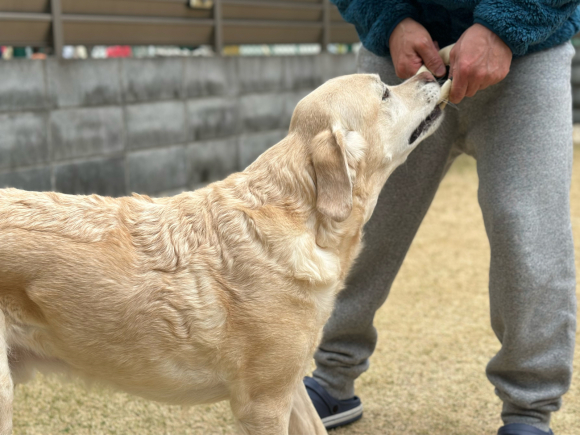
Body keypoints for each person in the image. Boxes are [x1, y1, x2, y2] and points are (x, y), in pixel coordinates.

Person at [304, 1, 580, 434]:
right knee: (355, 221)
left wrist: (506, 24)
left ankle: (529, 412)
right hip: (401, 58)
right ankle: (330, 377)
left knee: (526, 229)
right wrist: (386, 19)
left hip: (527, 52)